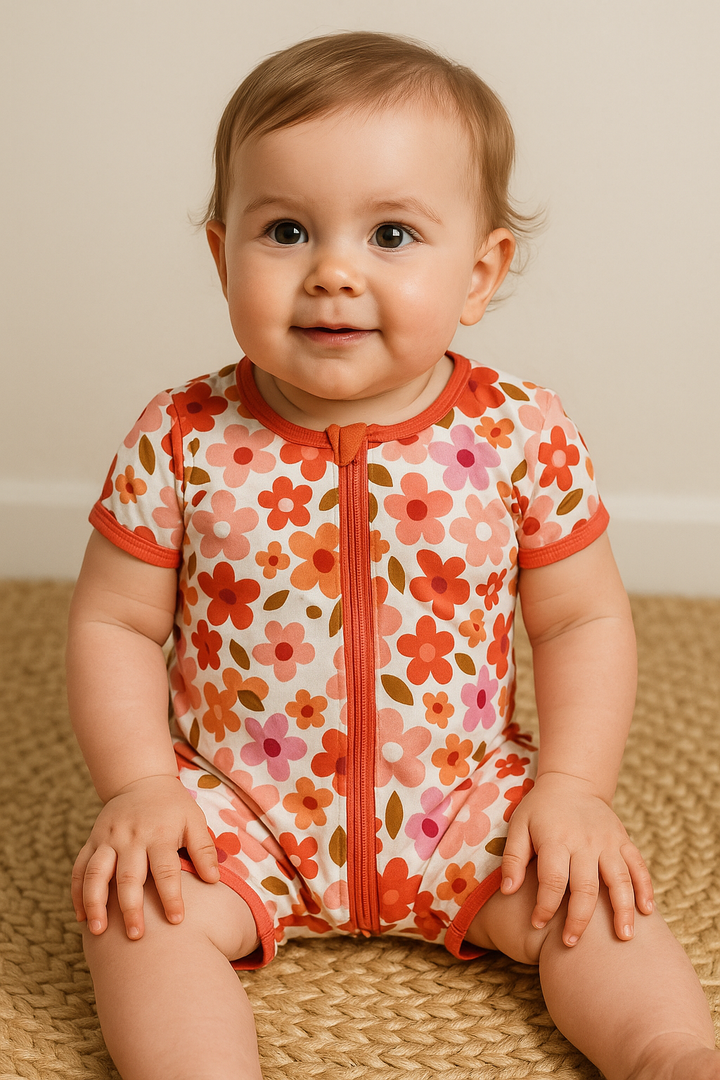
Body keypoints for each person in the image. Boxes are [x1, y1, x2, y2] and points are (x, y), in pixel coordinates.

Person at [66, 30, 719, 1080]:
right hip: (237, 803)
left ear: (481, 270)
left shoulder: (519, 432)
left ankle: (669, 1054)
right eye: (285, 229)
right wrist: (143, 785)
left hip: (460, 796)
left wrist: (573, 788)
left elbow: (580, 617)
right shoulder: (181, 435)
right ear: (219, 247)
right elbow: (116, 621)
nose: (332, 272)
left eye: (392, 235)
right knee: (138, 910)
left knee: (590, 894)